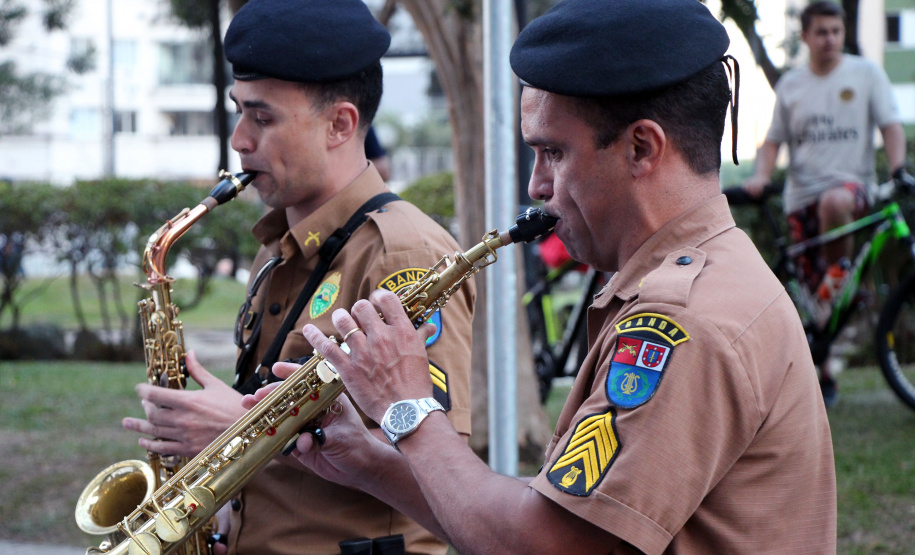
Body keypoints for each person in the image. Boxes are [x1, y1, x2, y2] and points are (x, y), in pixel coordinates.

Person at [247, 0, 838, 552]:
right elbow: (547, 514)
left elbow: (543, 543)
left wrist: (409, 409)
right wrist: (369, 464)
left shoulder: (685, 319)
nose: (536, 185)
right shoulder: (703, 280)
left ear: (641, 148)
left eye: (553, 152)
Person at [121, 1, 475, 554]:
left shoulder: (404, 252)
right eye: (239, 112)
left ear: (340, 124)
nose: (239, 140)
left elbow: (440, 473)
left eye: (262, 119)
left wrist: (242, 430)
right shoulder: (277, 247)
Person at [742, 1, 908, 404]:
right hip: (800, 198)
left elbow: (890, 126)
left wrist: (898, 169)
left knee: (835, 204)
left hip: (852, 190)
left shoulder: (866, 74)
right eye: (821, 32)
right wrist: (761, 175)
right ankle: (825, 374)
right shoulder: (792, 85)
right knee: (814, 305)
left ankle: (843, 273)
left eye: (836, 31)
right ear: (805, 36)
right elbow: (772, 142)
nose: (830, 39)